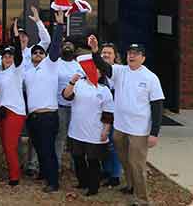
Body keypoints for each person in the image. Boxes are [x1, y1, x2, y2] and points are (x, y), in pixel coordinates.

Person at [89, 36, 165, 206]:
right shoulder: (120, 71)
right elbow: (103, 67)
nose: (132, 56)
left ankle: (143, 200)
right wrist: (95, 51)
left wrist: (154, 133)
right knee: (125, 160)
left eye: (136, 54)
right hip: (121, 127)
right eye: (130, 53)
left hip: (139, 130)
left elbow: (157, 107)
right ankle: (131, 185)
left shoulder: (150, 78)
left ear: (143, 58)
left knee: (137, 165)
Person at [21, 10, 64, 193]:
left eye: (40, 52)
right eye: (35, 52)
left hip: (48, 115)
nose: (38, 54)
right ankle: (44, 174)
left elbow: (53, 46)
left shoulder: (51, 65)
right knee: (39, 148)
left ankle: (53, 182)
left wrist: (58, 25)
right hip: (33, 117)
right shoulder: (28, 72)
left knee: (48, 150)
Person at [62, 57, 114, 196]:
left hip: (94, 132)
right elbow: (66, 96)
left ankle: (93, 187)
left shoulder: (104, 90)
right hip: (76, 131)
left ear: (101, 73)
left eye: (97, 70)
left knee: (93, 160)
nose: (94, 72)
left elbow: (108, 113)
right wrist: (72, 81)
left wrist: (106, 130)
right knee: (78, 158)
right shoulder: (78, 84)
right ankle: (82, 182)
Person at [0, 42, 26, 187]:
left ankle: (15, 176)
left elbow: (19, 57)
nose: (7, 59)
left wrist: (15, 39)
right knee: (5, 145)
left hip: (15, 111)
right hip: (2, 112)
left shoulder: (17, 69)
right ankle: (11, 171)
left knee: (10, 145)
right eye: (5, 56)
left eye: (10, 56)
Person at [54, 33, 85, 172]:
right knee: (60, 137)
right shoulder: (55, 63)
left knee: (75, 138)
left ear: (75, 48)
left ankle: (76, 166)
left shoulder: (79, 65)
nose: (67, 45)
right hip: (59, 106)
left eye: (70, 43)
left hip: (76, 107)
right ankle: (57, 165)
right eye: (65, 43)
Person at [100, 42, 123, 187]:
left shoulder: (120, 71)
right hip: (100, 114)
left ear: (115, 56)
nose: (106, 55)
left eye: (109, 53)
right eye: (103, 52)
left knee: (114, 145)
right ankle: (106, 170)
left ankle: (115, 175)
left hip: (117, 115)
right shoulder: (97, 72)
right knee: (104, 143)